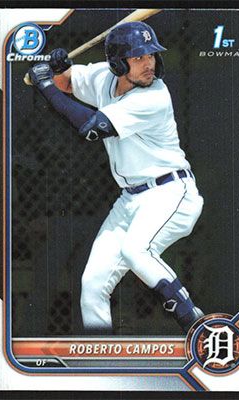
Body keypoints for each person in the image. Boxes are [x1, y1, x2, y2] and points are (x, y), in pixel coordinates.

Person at [28, 21, 204, 334]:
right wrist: (57, 69)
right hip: (130, 199)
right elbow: (67, 83)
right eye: (138, 57)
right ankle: (102, 353)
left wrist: (46, 86)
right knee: (93, 284)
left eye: (151, 55)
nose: (149, 63)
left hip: (170, 191)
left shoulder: (154, 97)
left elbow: (91, 127)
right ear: (118, 64)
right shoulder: (103, 77)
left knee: (137, 252)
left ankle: (197, 327)